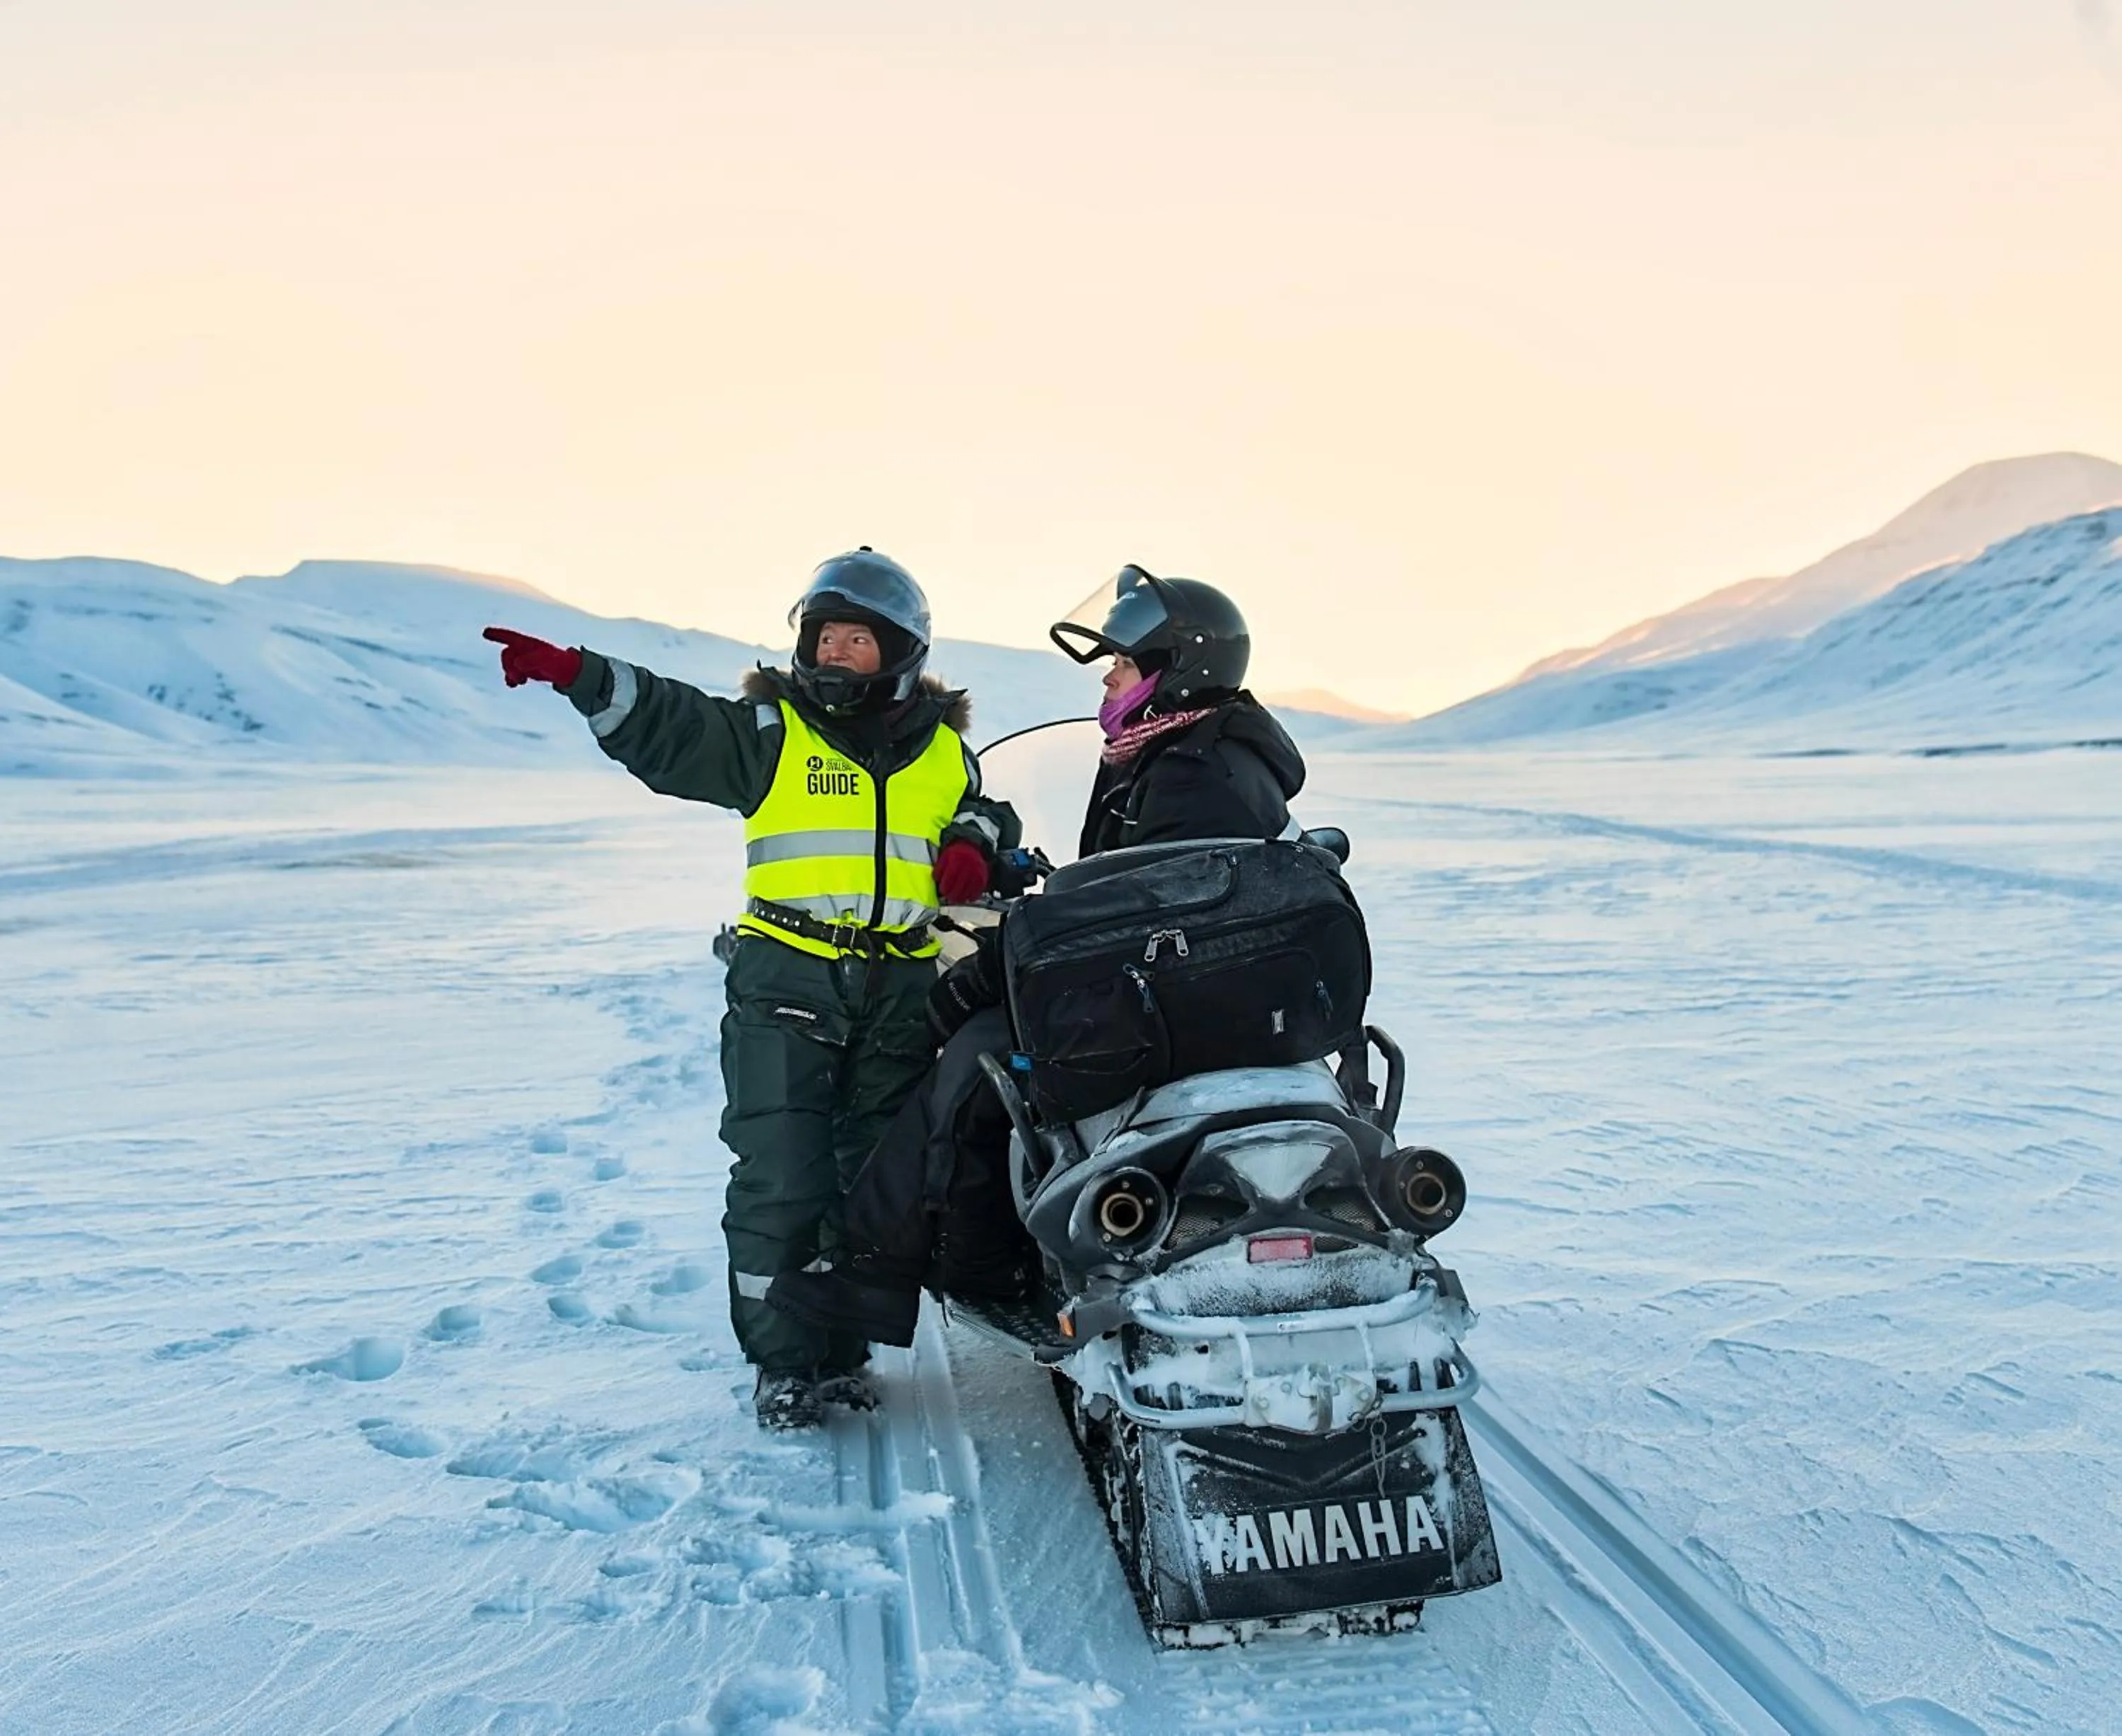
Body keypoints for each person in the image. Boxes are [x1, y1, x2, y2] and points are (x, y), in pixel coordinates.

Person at [482, 549, 1019, 1430]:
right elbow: (674, 726)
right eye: (825, 637)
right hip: (789, 976)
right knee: (782, 1176)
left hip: (900, 986)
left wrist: (974, 837)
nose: (837, 654)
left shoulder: (946, 752)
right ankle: (781, 1363)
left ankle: (840, 1349)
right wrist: (580, 675)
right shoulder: (773, 733)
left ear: (903, 653)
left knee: (870, 1180)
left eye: (859, 640)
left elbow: (986, 812)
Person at [768, 565, 1304, 1348]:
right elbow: (1142, 892)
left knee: (977, 1061)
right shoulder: (1191, 751)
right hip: (1205, 997)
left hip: (1178, 1007)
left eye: (1122, 664)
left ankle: (895, 1273)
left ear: (1176, 669)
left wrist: (996, 969)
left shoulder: (1196, 772)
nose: (1110, 680)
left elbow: (1152, 915)